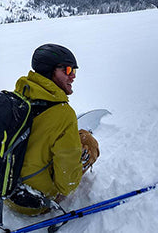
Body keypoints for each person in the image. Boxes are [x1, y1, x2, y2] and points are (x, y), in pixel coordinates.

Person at [6, 44, 100, 215]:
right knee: (87, 141)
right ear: (50, 71)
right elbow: (68, 184)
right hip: (35, 202)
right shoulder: (63, 114)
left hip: (7, 192)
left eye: (74, 71)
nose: (73, 76)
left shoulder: (19, 96)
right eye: (68, 70)